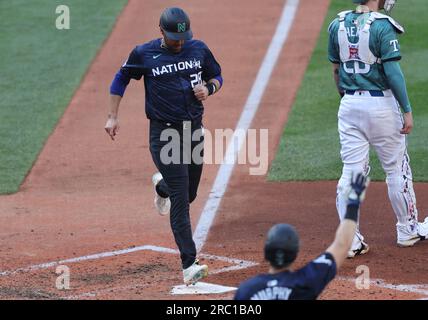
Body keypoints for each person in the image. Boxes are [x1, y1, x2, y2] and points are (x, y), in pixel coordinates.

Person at [104, 7, 223, 285]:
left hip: (192, 131)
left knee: (189, 193)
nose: (179, 43)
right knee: (181, 199)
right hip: (164, 134)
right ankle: (189, 264)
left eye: (182, 38)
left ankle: (162, 186)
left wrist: (210, 89)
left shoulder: (198, 49)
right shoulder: (144, 54)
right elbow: (120, 78)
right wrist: (112, 116)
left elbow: (217, 76)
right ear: (161, 31)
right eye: (173, 39)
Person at [327, 0, 428, 258]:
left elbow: (336, 70)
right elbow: (393, 72)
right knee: (396, 169)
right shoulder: (382, 26)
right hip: (381, 105)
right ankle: (407, 230)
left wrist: (349, 99)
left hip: (349, 104)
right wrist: (406, 109)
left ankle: (349, 240)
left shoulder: (336, 24)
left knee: (351, 173)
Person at [234, 173, 370, 300]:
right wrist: (353, 203)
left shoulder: (246, 290)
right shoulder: (305, 282)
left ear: (266, 253)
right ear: (295, 254)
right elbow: (342, 244)